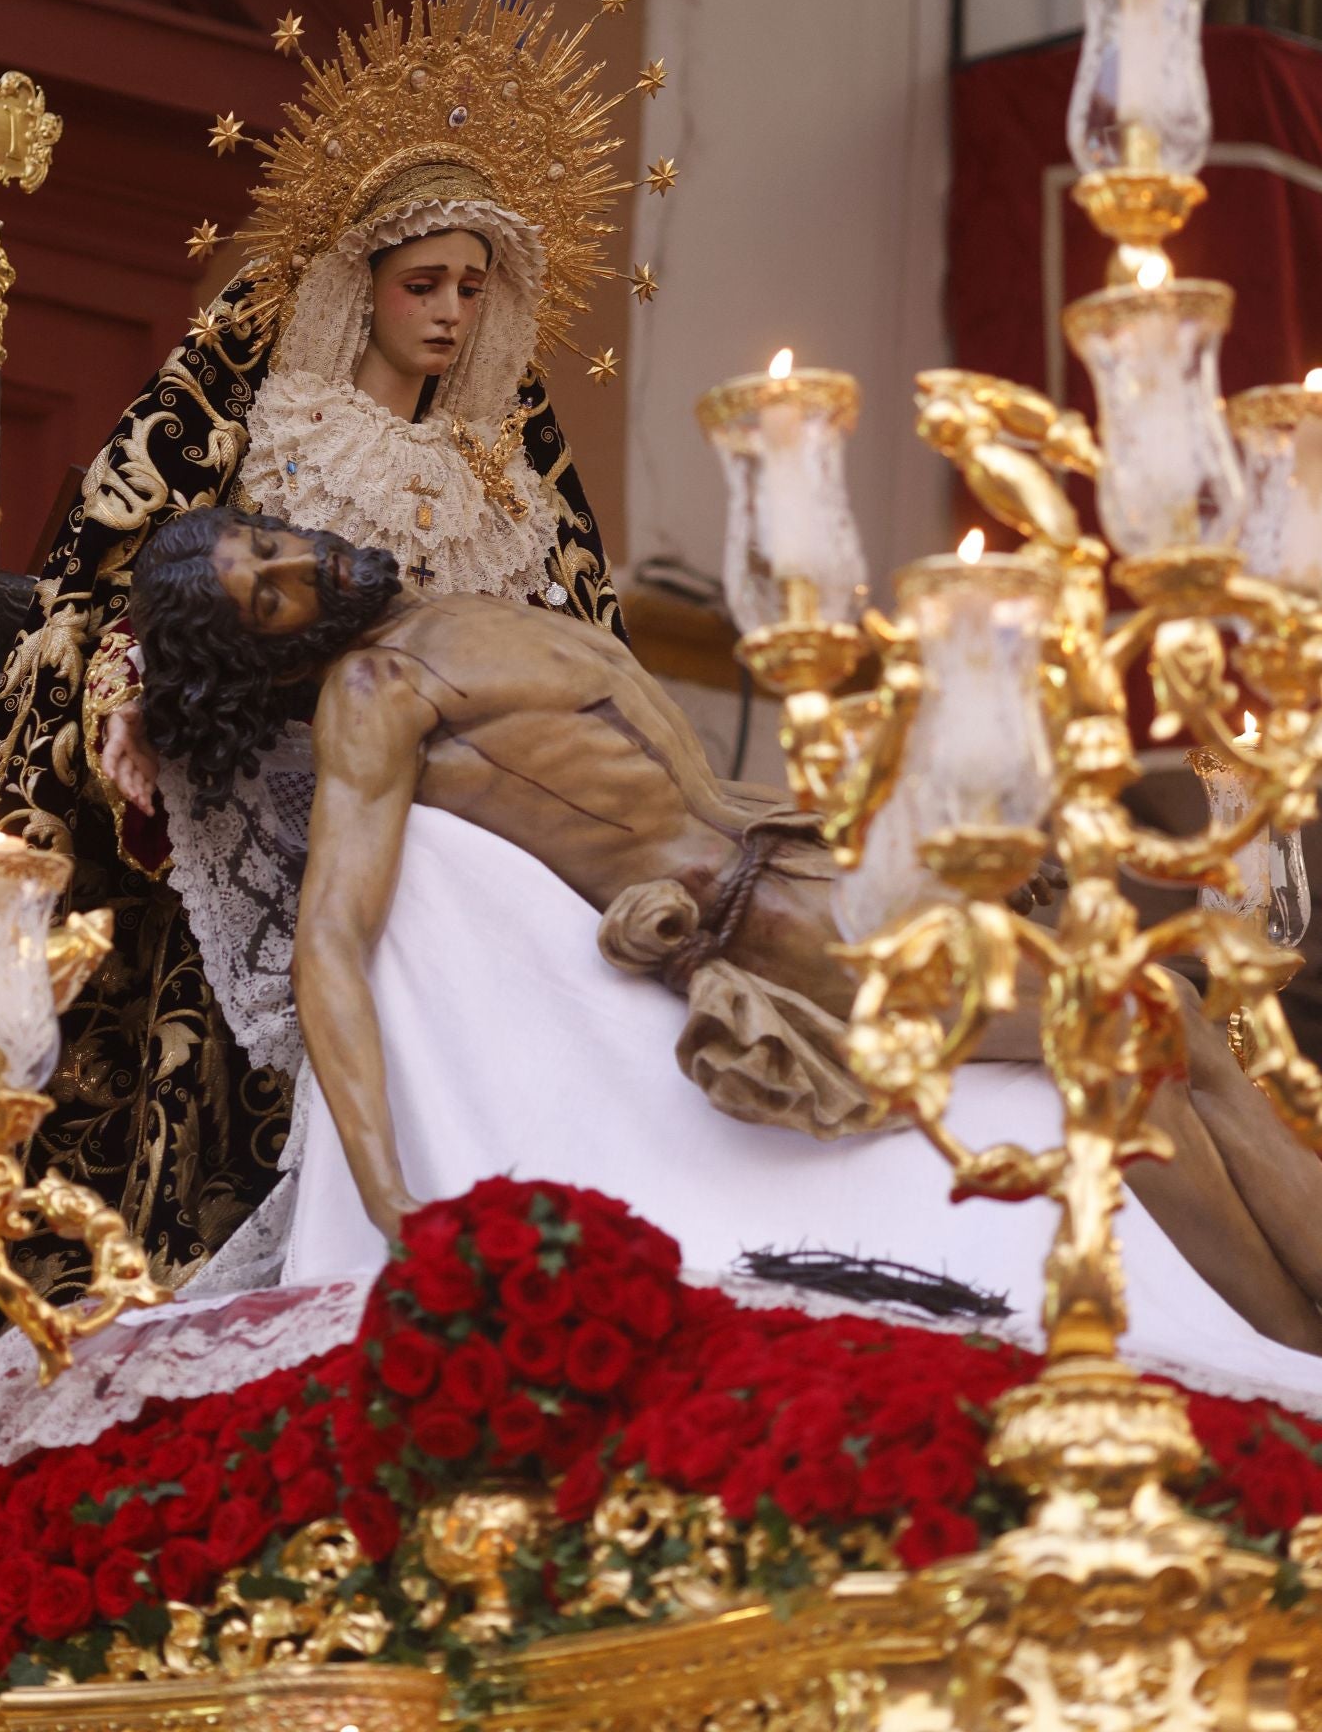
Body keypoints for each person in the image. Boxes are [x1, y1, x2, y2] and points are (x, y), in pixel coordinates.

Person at [0, 0, 639, 1416]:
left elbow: (576, 648)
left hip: (465, 827)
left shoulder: (510, 477)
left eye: (474, 289)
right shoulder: (267, 422)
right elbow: (128, 583)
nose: (450, 316)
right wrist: (130, 687)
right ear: (359, 284)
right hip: (280, 812)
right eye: (423, 284)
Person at [130, 507, 1322, 1360]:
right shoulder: (373, 693)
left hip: (808, 864)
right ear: (273, 654)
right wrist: (393, 1203)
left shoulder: (459, 611)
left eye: (270, 542)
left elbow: (695, 785)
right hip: (776, 931)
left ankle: (1292, 1344)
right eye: (271, 594)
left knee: (1166, 1028)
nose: (303, 563)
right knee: (1133, 1030)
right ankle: (1284, 1361)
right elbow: (332, 942)